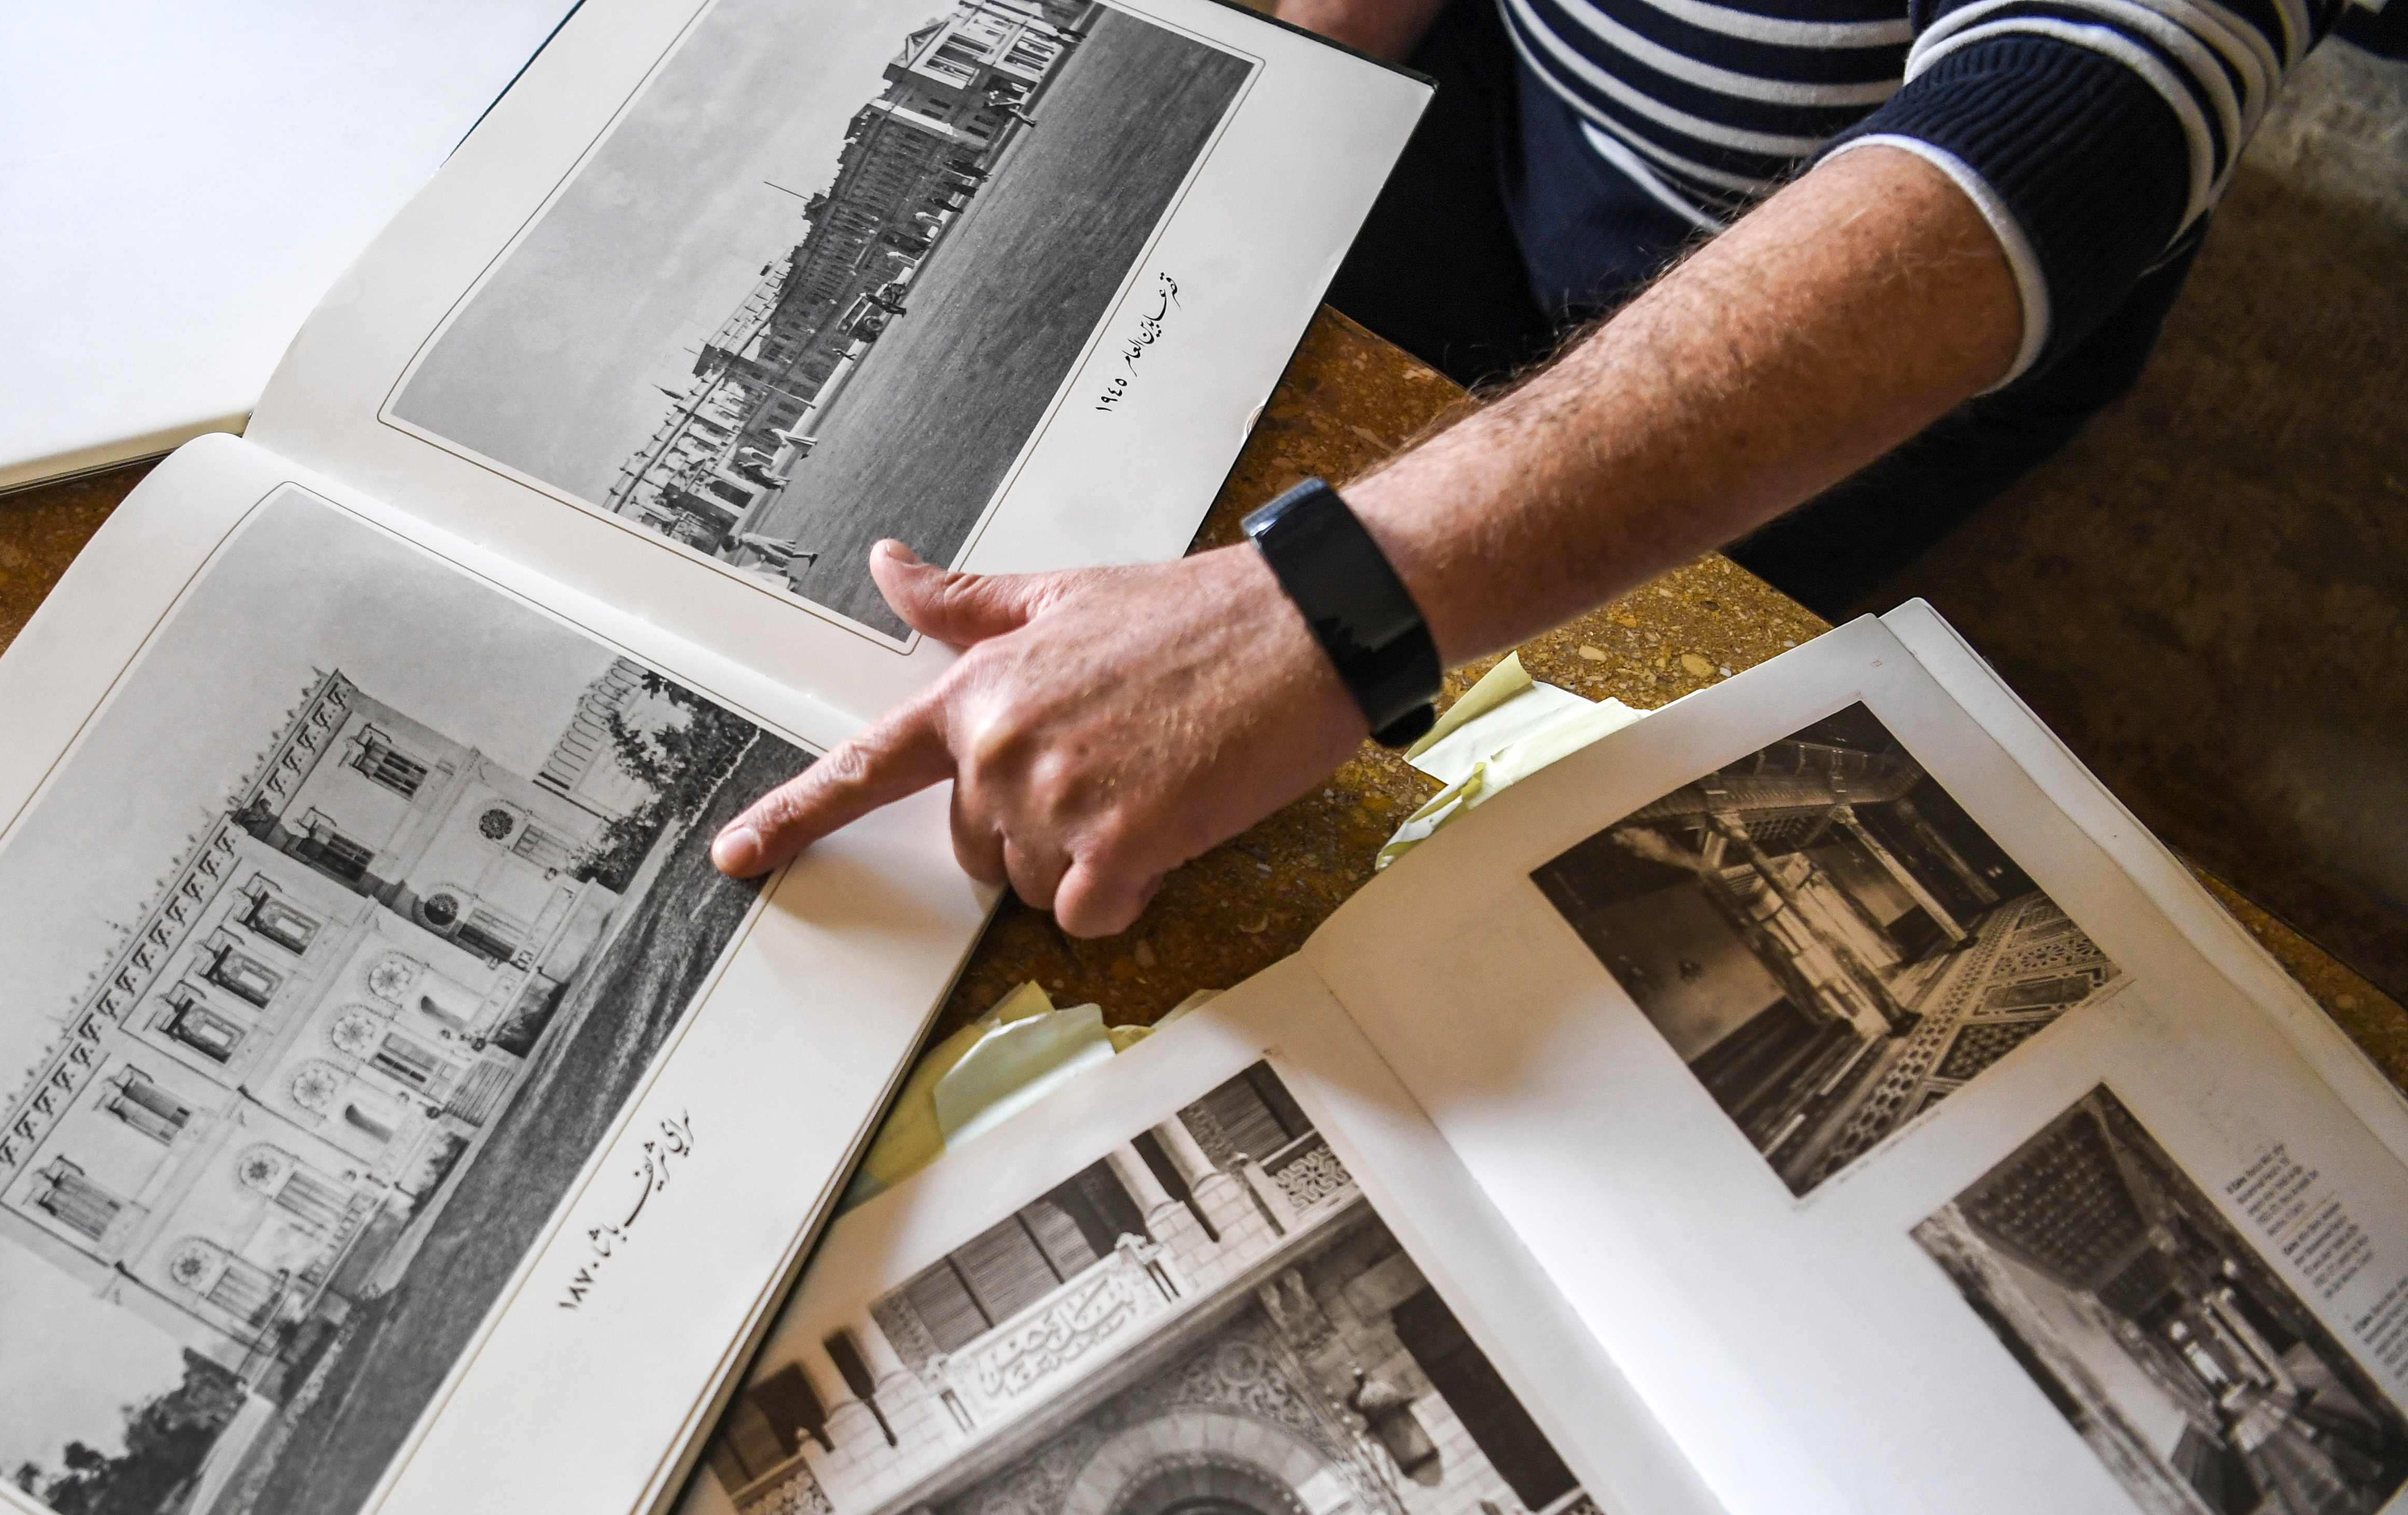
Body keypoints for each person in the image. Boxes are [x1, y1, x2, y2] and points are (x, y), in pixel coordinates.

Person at [709, 0, 2362, 938]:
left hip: (1865, 277)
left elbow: (2071, 134)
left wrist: (1320, 612)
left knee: (1582, 763)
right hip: (1531, 101)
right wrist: (1290, 76)